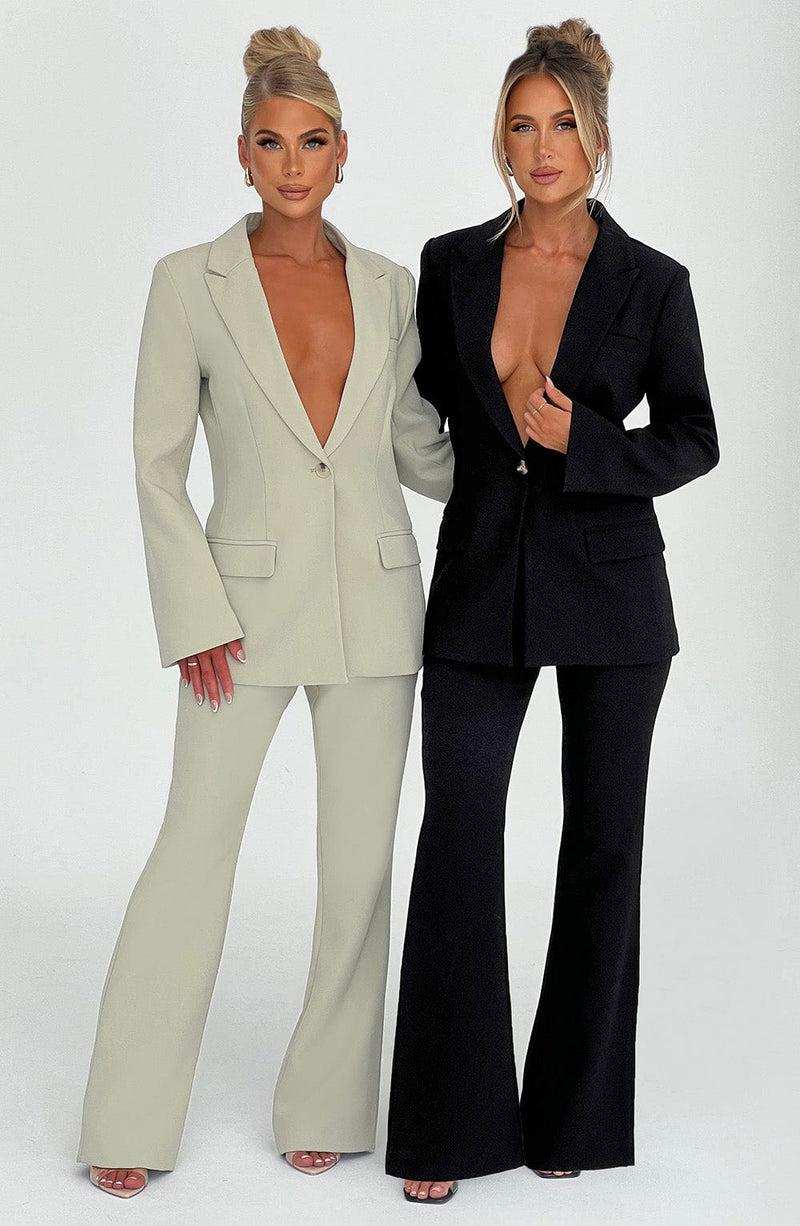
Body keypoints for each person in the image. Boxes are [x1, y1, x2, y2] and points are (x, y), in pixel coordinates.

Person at [76, 25, 453, 1198]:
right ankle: (128, 1112)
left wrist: (526, 439)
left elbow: (415, 449)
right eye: (272, 142)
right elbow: (154, 462)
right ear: (240, 154)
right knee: (192, 848)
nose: (294, 164)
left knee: (356, 871)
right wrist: (193, 613)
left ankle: (327, 1102)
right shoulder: (185, 283)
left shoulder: (390, 287)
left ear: (344, 152)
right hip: (233, 621)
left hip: (377, 609)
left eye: (314, 141)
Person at [384, 18, 719, 1204]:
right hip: (479, 579)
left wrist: (591, 444)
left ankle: (569, 1113)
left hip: (612, 592)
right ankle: (444, 1126)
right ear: (500, 137)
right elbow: (416, 406)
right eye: (520, 125)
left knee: (602, 844)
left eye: (561, 125)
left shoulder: (651, 281)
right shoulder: (449, 263)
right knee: (458, 827)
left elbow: (694, 435)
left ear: (597, 134)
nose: (540, 147)